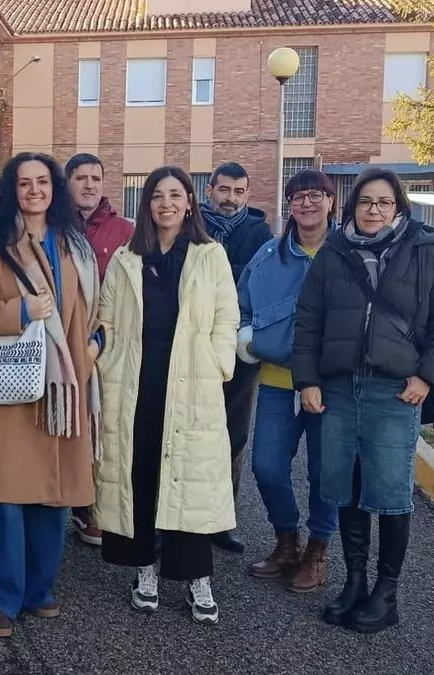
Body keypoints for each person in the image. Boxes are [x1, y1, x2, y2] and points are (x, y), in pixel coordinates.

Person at [293, 167, 434, 633]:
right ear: (353, 205)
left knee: (390, 493)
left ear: (398, 207)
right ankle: (354, 581)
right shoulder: (334, 252)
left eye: (384, 202)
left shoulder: (425, 251)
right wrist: (307, 380)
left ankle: (385, 594)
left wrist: (428, 376)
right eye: (366, 201)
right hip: (338, 389)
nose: (373, 210)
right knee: (345, 486)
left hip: (394, 392)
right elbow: (308, 320)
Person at [0, 152, 100, 638]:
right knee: (4, 493)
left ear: (55, 188)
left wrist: (95, 344)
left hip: (63, 386)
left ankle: (38, 588)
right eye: (24, 183)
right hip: (8, 386)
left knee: (53, 494)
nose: (34, 190)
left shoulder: (75, 245)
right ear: (11, 191)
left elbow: (93, 310)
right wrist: (20, 310)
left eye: (43, 181)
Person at [94, 166, 239, 626]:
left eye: (176, 195)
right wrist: (102, 359)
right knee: (140, 475)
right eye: (158, 195)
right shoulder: (127, 258)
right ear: (147, 204)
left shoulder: (210, 255)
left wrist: (218, 364)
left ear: (190, 202)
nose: (167, 204)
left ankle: (198, 578)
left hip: (192, 383)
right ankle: (145, 569)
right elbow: (106, 319)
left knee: (191, 482)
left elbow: (227, 317)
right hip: (136, 384)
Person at [239, 170, 338, 593]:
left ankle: (317, 549)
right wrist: (248, 338)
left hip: (332, 385)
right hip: (279, 379)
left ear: (331, 201)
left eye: (315, 195)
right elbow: (241, 305)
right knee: (266, 466)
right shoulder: (268, 256)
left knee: (325, 472)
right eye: (298, 197)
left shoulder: (349, 253)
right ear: (289, 205)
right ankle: (286, 539)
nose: (307, 203)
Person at [200, 161, 273, 554]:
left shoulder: (259, 232)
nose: (230, 199)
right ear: (210, 189)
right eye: (224, 190)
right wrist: (234, 272)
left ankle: (220, 519)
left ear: (247, 194)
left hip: (240, 349)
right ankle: (172, 517)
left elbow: (260, 281)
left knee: (233, 434)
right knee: (184, 428)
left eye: (239, 191)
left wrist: (212, 270)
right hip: (191, 345)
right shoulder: (190, 224)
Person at [63, 152, 134, 547]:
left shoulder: (124, 231)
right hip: (61, 339)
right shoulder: (53, 224)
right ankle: (68, 500)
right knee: (65, 423)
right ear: (68, 182)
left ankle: (96, 506)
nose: (89, 185)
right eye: (81, 177)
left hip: (107, 342)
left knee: (103, 426)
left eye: (95, 178)